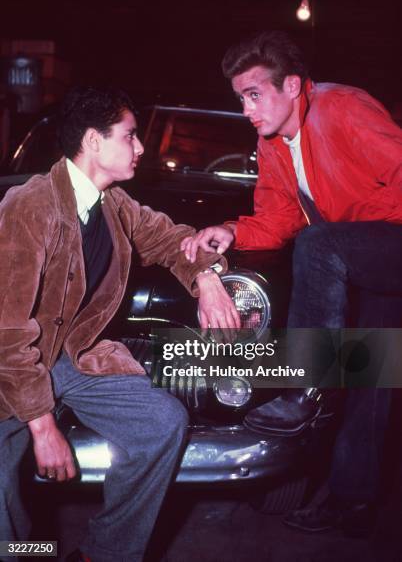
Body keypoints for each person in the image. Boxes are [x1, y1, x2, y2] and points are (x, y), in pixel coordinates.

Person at [0, 86, 240, 561]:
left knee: (162, 423)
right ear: (93, 141)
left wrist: (208, 278)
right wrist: (43, 429)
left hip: (71, 358)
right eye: (130, 136)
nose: (141, 147)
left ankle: (103, 553)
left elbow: (172, 239)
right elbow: (7, 334)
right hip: (11, 370)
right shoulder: (28, 207)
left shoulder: (113, 205)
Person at [181, 31, 402, 534]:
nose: (246, 110)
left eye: (254, 95)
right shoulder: (273, 141)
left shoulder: (343, 108)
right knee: (371, 375)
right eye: (240, 98)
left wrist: (353, 229)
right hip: (363, 258)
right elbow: (280, 219)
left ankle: (306, 390)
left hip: (390, 241)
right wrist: (232, 230)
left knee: (321, 243)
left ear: (294, 85)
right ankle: (353, 500)